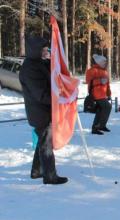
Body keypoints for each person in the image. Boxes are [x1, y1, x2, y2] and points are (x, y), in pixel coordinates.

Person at [19, 36, 68, 185]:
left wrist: (54, 60)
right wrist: (58, 99)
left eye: (47, 49)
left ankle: (37, 171)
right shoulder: (30, 69)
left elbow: (51, 72)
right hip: (40, 111)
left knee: (43, 141)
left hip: (44, 109)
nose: (47, 51)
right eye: (44, 50)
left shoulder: (38, 63)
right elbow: (40, 93)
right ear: (36, 51)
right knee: (46, 143)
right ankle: (50, 176)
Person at [85, 54, 112, 135]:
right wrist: (100, 81)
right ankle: (97, 126)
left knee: (102, 109)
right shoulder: (92, 70)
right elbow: (88, 81)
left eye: (105, 62)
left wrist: (109, 93)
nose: (105, 63)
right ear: (99, 62)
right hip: (95, 94)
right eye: (103, 62)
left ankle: (100, 126)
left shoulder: (105, 72)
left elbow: (107, 84)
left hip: (103, 94)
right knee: (107, 107)